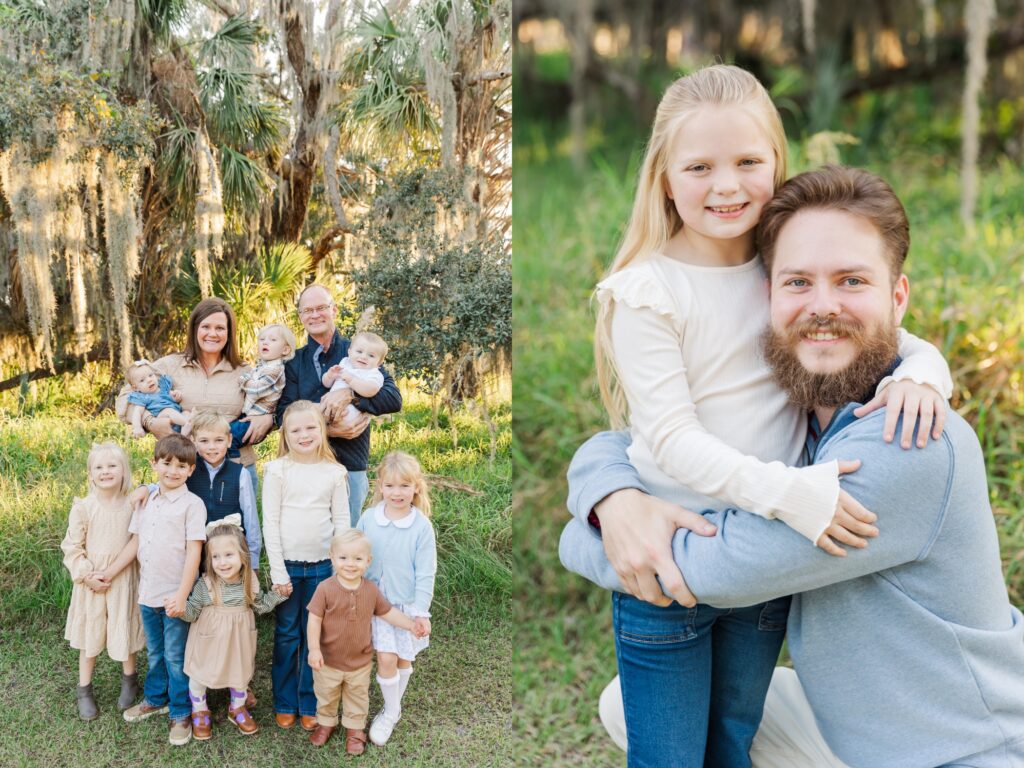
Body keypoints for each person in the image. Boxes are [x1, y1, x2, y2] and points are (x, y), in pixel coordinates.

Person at [560, 165, 1024, 767]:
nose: (823, 307)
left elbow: (711, 570)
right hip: (854, 732)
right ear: (768, 298)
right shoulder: (797, 416)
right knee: (628, 704)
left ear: (897, 296)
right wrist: (615, 501)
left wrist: (582, 537)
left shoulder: (909, 440)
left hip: (963, 751)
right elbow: (634, 441)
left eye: (852, 280)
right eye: (799, 282)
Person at [100, 434, 206, 746]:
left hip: (175, 595)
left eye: (181, 466)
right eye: (167, 463)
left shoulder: (192, 505)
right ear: (154, 464)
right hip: (147, 593)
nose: (173, 471)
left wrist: (182, 595)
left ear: (190, 470)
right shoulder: (145, 500)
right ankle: (156, 698)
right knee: (156, 652)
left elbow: (194, 553)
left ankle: (180, 711)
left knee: (175, 656)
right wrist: (108, 572)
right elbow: (134, 544)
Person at [117, 297, 275, 493]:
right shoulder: (170, 365)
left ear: (229, 333)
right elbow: (125, 398)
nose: (212, 334)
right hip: (181, 467)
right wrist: (150, 422)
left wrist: (269, 417)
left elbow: (272, 398)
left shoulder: (243, 371)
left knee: (237, 523)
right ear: (194, 329)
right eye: (206, 326)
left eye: (220, 328)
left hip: (235, 465)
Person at [277, 284, 402, 526]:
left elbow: (393, 398)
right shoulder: (294, 362)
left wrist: (350, 394)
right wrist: (327, 429)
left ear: (334, 309)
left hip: (349, 463)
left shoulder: (358, 350)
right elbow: (283, 414)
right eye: (307, 310)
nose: (315, 315)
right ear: (301, 317)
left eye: (321, 308)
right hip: (306, 464)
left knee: (346, 540)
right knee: (309, 537)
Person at [263, 400, 350, 732]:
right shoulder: (277, 470)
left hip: (322, 568)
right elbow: (270, 523)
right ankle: (285, 702)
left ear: (322, 430)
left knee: (317, 636)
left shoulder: (334, 472)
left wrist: (340, 570)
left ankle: (309, 702)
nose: (304, 434)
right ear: (285, 433)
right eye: (296, 429)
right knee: (287, 634)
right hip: (288, 567)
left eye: (311, 427)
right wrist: (278, 572)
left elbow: (342, 522)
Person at [306, 529, 429, 755]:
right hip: (328, 660)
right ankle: (326, 723)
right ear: (332, 557)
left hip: (359, 661)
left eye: (358, 559)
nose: (350, 564)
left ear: (368, 561)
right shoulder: (325, 589)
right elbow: (314, 621)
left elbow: (388, 612)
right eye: (343, 558)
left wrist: (411, 624)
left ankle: (355, 730)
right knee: (326, 694)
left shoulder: (371, 590)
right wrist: (314, 649)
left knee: (357, 696)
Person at [357, 451, 437, 747]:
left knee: (404, 658)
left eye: (405, 486)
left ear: (417, 487)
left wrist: (421, 612)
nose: (397, 493)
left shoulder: (421, 527)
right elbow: (357, 553)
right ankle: (390, 713)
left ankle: (393, 708)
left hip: (406, 604)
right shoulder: (369, 518)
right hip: (376, 604)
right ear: (380, 486)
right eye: (390, 486)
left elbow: (426, 572)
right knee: (386, 658)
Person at [61, 442, 145, 720]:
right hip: (92, 581)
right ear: (90, 474)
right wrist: (88, 575)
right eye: (99, 467)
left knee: (124, 625)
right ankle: (84, 688)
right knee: (91, 632)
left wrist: (112, 573)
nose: (106, 471)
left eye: (112, 466)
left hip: (123, 579)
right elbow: (72, 547)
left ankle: (129, 679)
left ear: (124, 471)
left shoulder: (133, 503)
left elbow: (137, 540)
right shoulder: (84, 507)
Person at [181, 519, 285, 740]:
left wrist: (279, 595)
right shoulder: (206, 584)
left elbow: (261, 606)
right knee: (199, 674)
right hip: (208, 641)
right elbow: (192, 612)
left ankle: (237, 707)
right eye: (216, 557)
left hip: (239, 640)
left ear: (242, 556)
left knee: (240, 673)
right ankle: (199, 709)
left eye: (229, 555)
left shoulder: (250, 581)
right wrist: (179, 609)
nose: (222, 562)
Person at [130, 410, 262, 577]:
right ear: (193, 441)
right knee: (198, 599)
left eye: (219, 440)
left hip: (229, 557)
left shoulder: (239, 474)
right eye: (204, 441)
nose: (212, 447)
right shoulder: (190, 469)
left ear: (229, 441)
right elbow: (167, 482)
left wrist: (254, 562)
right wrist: (146, 488)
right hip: (193, 555)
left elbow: (251, 521)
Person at [228, 323, 296, 459]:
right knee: (221, 434)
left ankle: (231, 467)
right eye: (262, 339)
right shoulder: (262, 367)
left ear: (285, 350)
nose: (265, 342)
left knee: (227, 439)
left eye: (273, 340)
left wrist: (243, 381)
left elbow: (256, 389)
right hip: (248, 415)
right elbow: (251, 378)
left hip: (257, 418)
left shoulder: (275, 370)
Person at [321, 331, 389, 430]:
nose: (363, 357)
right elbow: (326, 384)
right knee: (308, 410)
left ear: (379, 362)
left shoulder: (373, 373)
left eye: (371, 356)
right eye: (359, 352)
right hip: (328, 409)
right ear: (349, 352)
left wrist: (351, 380)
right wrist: (329, 376)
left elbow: (371, 390)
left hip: (349, 416)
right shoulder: (345, 363)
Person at [124, 361, 192, 437]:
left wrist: (176, 396)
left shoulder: (163, 389)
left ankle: (184, 436)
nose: (149, 380)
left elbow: (174, 400)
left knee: (186, 412)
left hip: (178, 417)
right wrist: (137, 427)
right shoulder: (144, 398)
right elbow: (137, 413)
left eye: (150, 375)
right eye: (142, 380)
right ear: (135, 387)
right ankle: (189, 423)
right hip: (164, 420)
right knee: (168, 410)